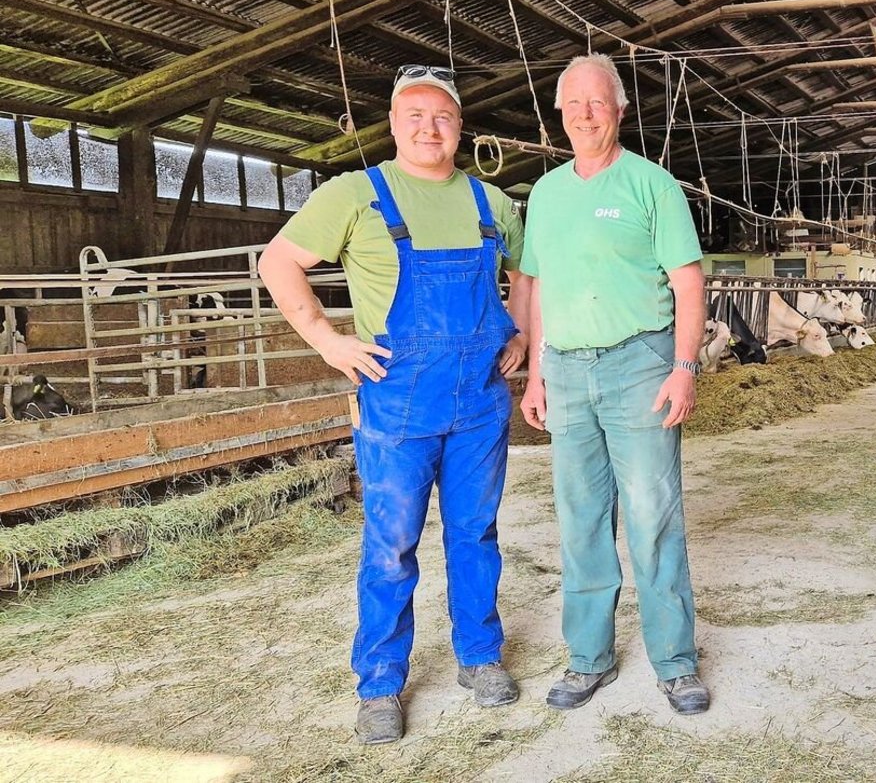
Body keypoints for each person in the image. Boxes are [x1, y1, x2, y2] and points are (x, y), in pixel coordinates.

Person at [259, 65, 529, 745]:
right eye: (414, 115)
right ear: (393, 122)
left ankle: (479, 655)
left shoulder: (491, 201)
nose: (428, 127)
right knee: (391, 545)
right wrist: (326, 339)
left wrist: (524, 331)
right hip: (397, 402)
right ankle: (380, 682)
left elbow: (529, 273)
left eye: (441, 115)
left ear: (459, 125)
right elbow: (277, 261)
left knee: (476, 533)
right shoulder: (356, 193)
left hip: (479, 401)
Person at [518, 53, 710, 715]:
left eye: (597, 102)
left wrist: (684, 367)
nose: (584, 113)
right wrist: (536, 373)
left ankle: (676, 662)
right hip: (567, 371)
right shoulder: (545, 194)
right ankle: (589, 657)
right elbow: (537, 286)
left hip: (640, 365)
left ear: (620, 110)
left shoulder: (651, 185)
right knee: (580, 520)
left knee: (654, 515)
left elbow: (689, 284)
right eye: (573, 104)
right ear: (559, 114)